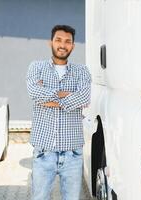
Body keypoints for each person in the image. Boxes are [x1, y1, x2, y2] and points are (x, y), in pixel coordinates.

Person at [26, 24, 91, 200]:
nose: (63, 45)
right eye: (59, 40)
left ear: (73, 46)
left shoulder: (82, 71)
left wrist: (48, 97)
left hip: (73, 153)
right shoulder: (36, 67)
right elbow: (34, 93)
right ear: (51, 42)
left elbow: (84, 98)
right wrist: (69, 97)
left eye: (67, 41)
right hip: (43, 151)